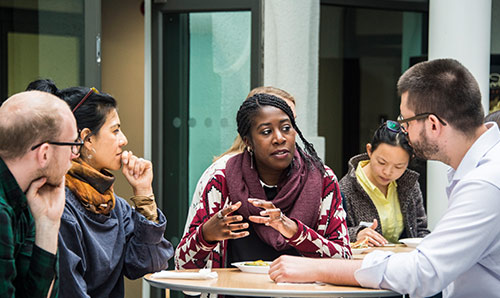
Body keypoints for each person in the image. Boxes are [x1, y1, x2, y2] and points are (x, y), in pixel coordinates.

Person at [268, 58, 500, 298]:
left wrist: (316, 268)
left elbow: (423, 272)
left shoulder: (485, 183)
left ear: (433, 125)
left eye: (405, 121)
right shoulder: (481, 170)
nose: (403, 131)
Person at [28, 80, 174, 298]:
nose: (123, 140)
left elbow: (148, 264)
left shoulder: (115, 206)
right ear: (85, 139)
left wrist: (144, 194)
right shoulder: (58, 205)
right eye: (115, 130)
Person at [175, 93, 351, 271]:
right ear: (248, 141)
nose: (279, 138)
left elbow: (343, 259)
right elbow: (181, 266)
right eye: (266, 132)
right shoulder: (221, 180)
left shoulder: (322, 179)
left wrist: (296, 232)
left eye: (286, 128)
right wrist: (205, 235)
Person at [182, 86, 297, 239]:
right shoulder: (220, 174)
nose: (281, 136)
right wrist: (206, 237)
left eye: (289, 123)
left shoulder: (308, 174)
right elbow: (189, 252)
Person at [0, 91, 80, 297]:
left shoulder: (27, 197)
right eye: (72, 144)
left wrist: (48, 225)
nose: (75, 155)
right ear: (44, 153)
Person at [340, 121, 430, 246]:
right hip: (365, 262)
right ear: (369, 151)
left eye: (399, 167)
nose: (388, 172)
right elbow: (332, 234)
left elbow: (421, 230)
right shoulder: (345, 189)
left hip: (404, 260)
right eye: (382, 162)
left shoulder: (409, 184)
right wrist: (356, 234)